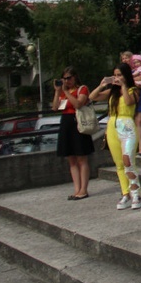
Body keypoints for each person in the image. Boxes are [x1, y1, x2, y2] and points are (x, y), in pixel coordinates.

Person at [90, 63, 141, 210]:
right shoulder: (112, 93)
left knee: (128, 162)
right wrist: (102, 85)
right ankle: (125, 193)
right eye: (115, 75)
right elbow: (92, 97)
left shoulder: (133, 90)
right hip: (112, 127)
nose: (117, 78)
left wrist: (123, 86)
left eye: (120, 75)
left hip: (127, 127)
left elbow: (128, 101)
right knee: (119, 164)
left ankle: (136, 193)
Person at [53, 66, 94, 200]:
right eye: (64, 78)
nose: (66, 81)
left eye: (69, 78)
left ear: (75, 77)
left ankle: (84, 189)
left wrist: (67, 92)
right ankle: (76, 188)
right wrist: (58, 92)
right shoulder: (64, 91)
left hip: (77, 122)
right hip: (66, 123)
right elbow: (55, 107)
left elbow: (78, 104)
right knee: (71, 159)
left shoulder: (82, 89)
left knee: (81, 157)